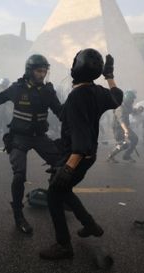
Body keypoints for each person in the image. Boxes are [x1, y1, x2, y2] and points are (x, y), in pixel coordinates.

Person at [39, 49, 123, 260]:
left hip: (76, 156)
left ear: (76, 67)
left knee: (54, 196)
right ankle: (90, 225)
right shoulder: (98, 92)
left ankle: (64, 246)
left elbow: (81, 140)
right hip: (88, 155)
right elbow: (117, 98)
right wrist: (110, 76)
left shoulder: (77, 96)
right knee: (64, 191)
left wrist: (67, 168)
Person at [0, 54, 62, 234]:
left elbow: (61, 112)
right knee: (19, 176)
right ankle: (18, 215)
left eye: (44, 71)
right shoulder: (17, 88)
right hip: (19, 137)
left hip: (40, 136)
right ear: (29, 71)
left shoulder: (48, 91)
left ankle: (55, 200)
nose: (42, 75)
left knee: (61, 166)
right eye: (39, 71)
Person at [106, 90, 140, 163]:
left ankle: (126, 156)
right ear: (128, 99)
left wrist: (139, 110)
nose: (133, 100)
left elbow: (132, 111)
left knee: (135, 139)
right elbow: (121, 121)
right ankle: (111, 156)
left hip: (125, 127)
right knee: (124, 144)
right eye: (132, 99)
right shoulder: (120, 107)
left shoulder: (127, 105)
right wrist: (126, 130)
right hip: (118, 128)